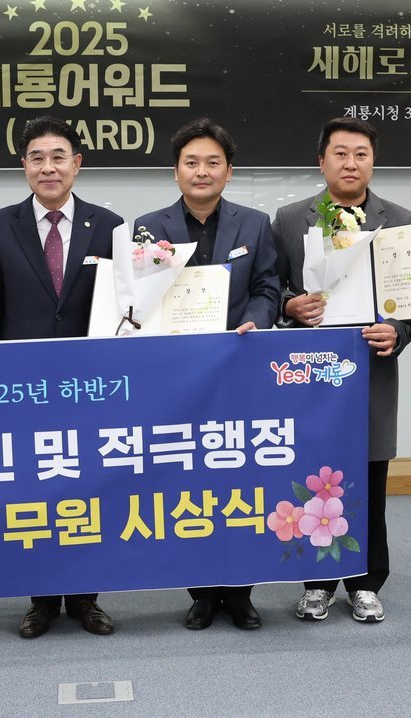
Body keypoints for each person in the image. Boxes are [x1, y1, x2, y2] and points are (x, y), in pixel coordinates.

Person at [272, 117, 411, 623]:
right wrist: (289, 306)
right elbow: (273, 285)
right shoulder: (290, 219)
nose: (350, 163)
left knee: (369, 475)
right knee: (311, 474)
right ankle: (316, 583)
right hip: (309, 372)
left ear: (373, 162)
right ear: (322, 162)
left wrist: (397, 331)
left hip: (369, 368)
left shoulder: (399, 219)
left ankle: (365, 582)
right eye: (340, 153)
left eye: (361, 153)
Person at [132, 117, 279, 630]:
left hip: (239, 368)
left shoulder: (254, 224)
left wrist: (255, 321)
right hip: (179, 377)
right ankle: (200, 592)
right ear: (175, 172)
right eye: (191, 162)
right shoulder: (148, 227)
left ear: (228, 171)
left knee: (240, 479)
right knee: (187, 481)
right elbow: (140, 299)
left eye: (213, 162)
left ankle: (240, 592)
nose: (202, 171)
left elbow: (267, 287)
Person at [0, 115, 122, 638]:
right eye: (37, 157)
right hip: (24, 388)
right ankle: (41, 599)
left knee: (90, 491)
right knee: (34, 493)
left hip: (91, 387)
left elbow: (121, 308)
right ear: (24, 166)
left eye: (58, 156)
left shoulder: (109, 225)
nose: (48, 167)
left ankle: (86, 598)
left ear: (76, 164)